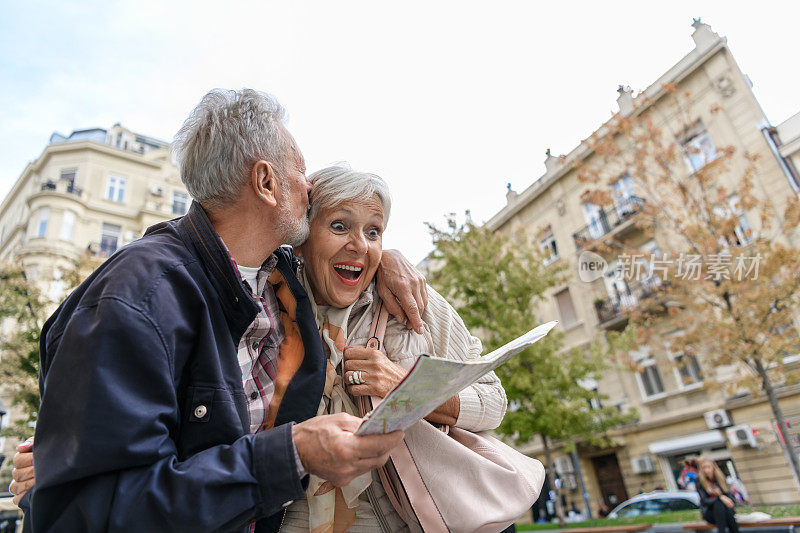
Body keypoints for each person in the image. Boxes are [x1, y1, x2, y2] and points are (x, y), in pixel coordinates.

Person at [13, 89, 427, 532]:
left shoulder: (280, 276)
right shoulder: (139, 297)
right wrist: (292, 454)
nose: (310, 187)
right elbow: (90, 514)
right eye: (301, 171)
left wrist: (386, 260)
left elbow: (345, 247)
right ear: (266, 182)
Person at [697, 456, 740, 533]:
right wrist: (720, 498)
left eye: (708, 467)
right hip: (710, 513)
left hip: (725, 512)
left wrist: (720, 495)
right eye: (704, 468)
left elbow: (730, 499)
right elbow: (704, 502)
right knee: (718, 503)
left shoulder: (721, 479)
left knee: (726, 512)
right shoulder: (700, 482)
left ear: (713, 467)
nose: (706, 470)